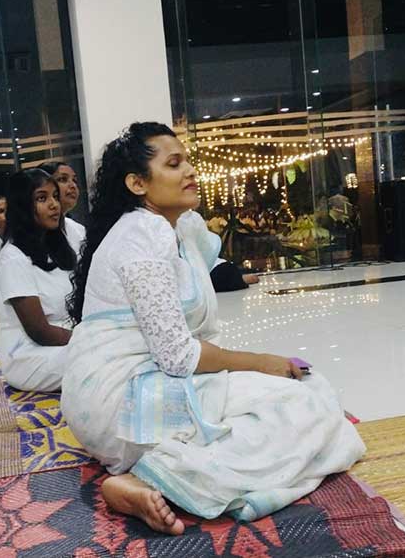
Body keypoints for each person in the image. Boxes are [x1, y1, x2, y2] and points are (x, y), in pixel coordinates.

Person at [61, 122, 365, 534]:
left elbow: (204, 269)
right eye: (174, 164)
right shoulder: (141, 233)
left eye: (187, 160)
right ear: (137, 183)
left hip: (148, 382)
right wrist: (261, 363)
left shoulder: (178, 227)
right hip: (121, 401)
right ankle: (148, 479)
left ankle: (165, 468)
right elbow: (178, 356)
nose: (190, 170)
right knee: (303, 408)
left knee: (313, 390)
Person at [0, 168, 77, 391]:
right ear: (23, 206)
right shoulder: (13, 257)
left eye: (55, 196)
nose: (54, 205)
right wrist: (86, 339)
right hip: (29, 355)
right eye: (42, 198)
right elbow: (39, 332)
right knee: (104, 359)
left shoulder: (56, 248)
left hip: (65, 342)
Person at [40, 161, 86, 255]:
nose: (73, 186)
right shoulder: (34, 234)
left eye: (75, 180)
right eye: (63, 179)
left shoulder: (79, 229)